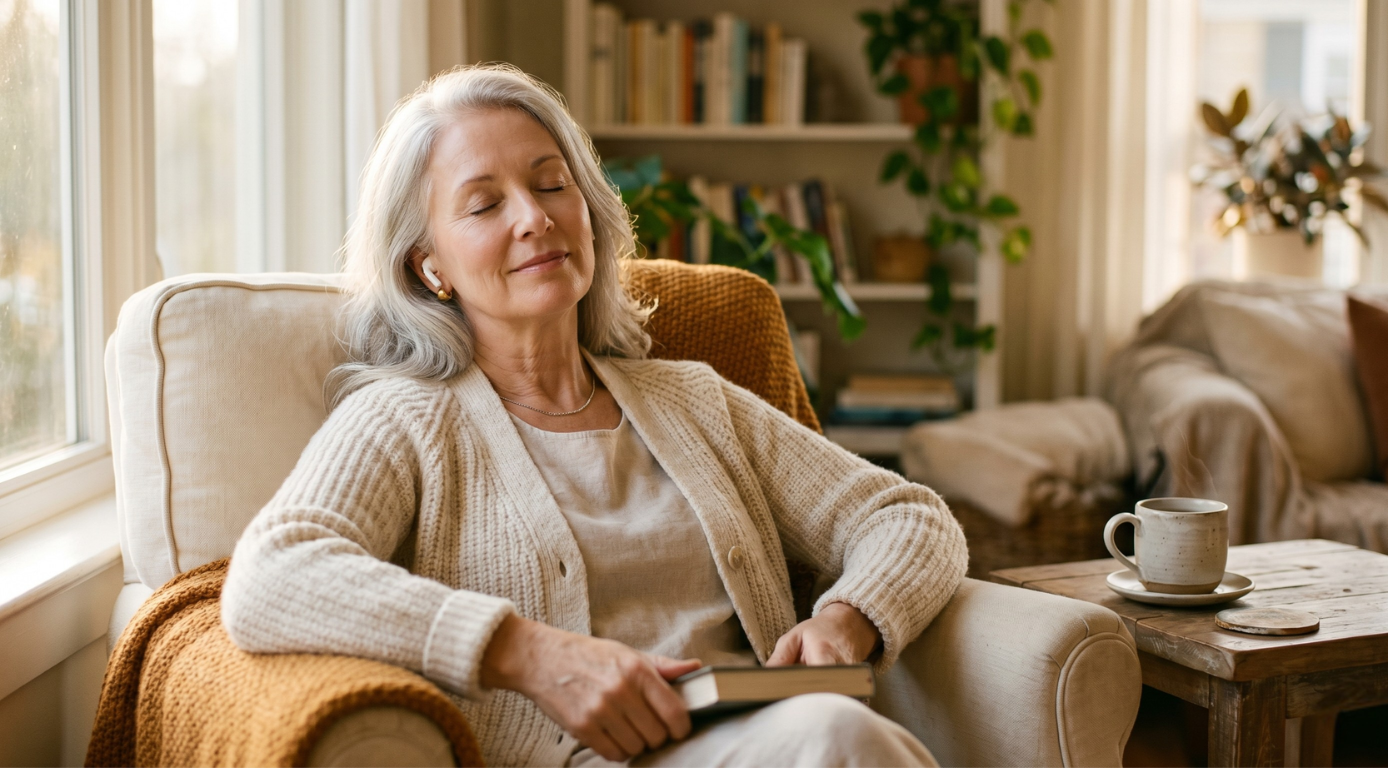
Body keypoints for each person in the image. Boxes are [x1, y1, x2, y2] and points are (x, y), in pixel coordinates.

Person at [221, 63, 967, 767]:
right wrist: (531, 654)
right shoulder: (404, 419)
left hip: (774, 737)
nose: (535, 218)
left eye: (552, 185)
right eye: (485, 205)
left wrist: (850, 617)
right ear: (430, 266)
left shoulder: (693, 399)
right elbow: (272, 575)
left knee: (834, 732)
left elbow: (907, 516)